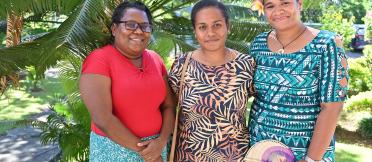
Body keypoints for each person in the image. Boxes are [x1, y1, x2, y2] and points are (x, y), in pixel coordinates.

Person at [249, 0, 349, 162]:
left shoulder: (326, 44)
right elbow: (249, 90)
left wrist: (311, 158)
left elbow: (332, 108)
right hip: (258, 149)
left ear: (299, 4)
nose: (278, 10)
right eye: (270, 5)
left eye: (285, 3)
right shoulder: (258, 44)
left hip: (305, 151)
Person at [79, 1, 174, 161]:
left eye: (145, 26)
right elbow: (103, 118)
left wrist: (161, 142)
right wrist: (148, 154)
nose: (138, 31)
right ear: (114, 29)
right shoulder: (100, 60)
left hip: (156, 147)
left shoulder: (156, 59)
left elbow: (169, 106)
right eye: (130, 25)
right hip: (114, 151)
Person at [168, 0, 255, 161]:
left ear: (228, 26)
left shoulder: (246, 65)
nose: (210, 33)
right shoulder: (182, 64)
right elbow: (168, 108)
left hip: (235, 157)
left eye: (217, 25)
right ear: (195, 31)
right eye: (202, 27)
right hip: (189, 156)